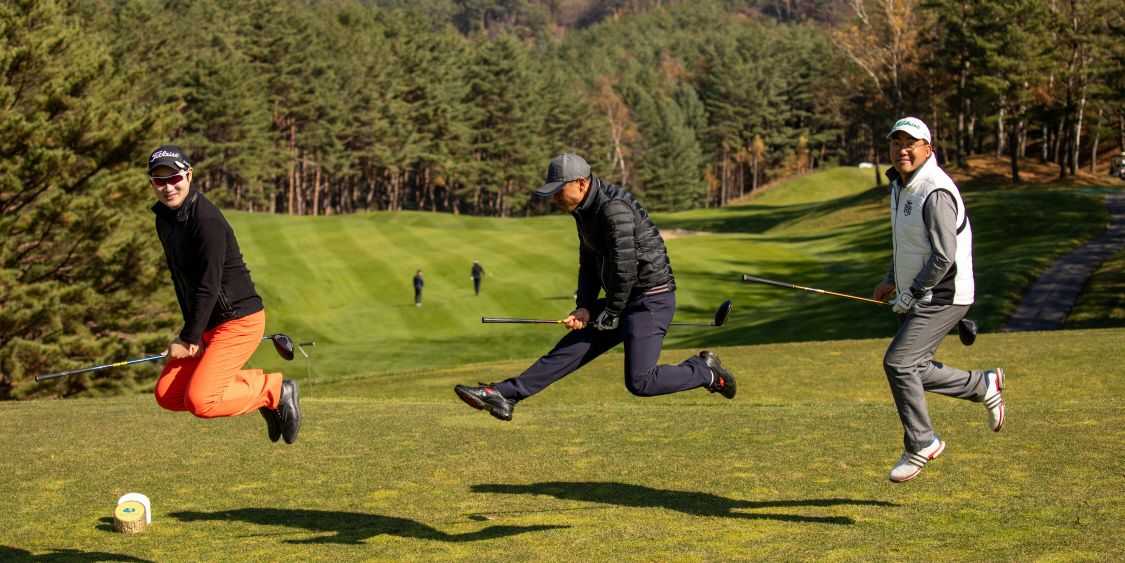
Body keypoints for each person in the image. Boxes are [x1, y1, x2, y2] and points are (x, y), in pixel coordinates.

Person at [454, 153, 736, 421]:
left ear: (580, 183)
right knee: (567, 351)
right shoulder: (585, 210)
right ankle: (502, 394)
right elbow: (588, 261)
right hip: (622, 300)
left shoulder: (614, 209)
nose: (554, 198)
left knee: (641, 381)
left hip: (650, 300)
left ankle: (705, 372)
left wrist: (612, 311)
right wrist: (586, 307)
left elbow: (625, 266)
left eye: (558, 190)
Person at [873, 118, 1005, 483]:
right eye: (896, 141)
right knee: (914, 368)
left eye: (911, 143)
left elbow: (944, 256)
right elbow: (909, 244)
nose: (902, 148)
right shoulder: (902, 185)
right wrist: (890, 279)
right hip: (918, 290)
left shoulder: (935, 191)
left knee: (899, 364)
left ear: (928, 149)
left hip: (943, 294)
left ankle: (921, 442)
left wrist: (912, 291)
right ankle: (983, 385)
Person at [147, 145, 301, 444]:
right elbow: (181, 282)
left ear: (189, 175)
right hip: (207, 323)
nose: (167, 188)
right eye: (158, 181)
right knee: (169, 395)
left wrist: (189, 339)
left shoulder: (206, 221)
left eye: (174, 177)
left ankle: (277, 391)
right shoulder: (165, 219)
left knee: (201, 402)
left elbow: (209, 284)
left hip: (238, 321)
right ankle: (260, 394)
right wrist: (194, 334)